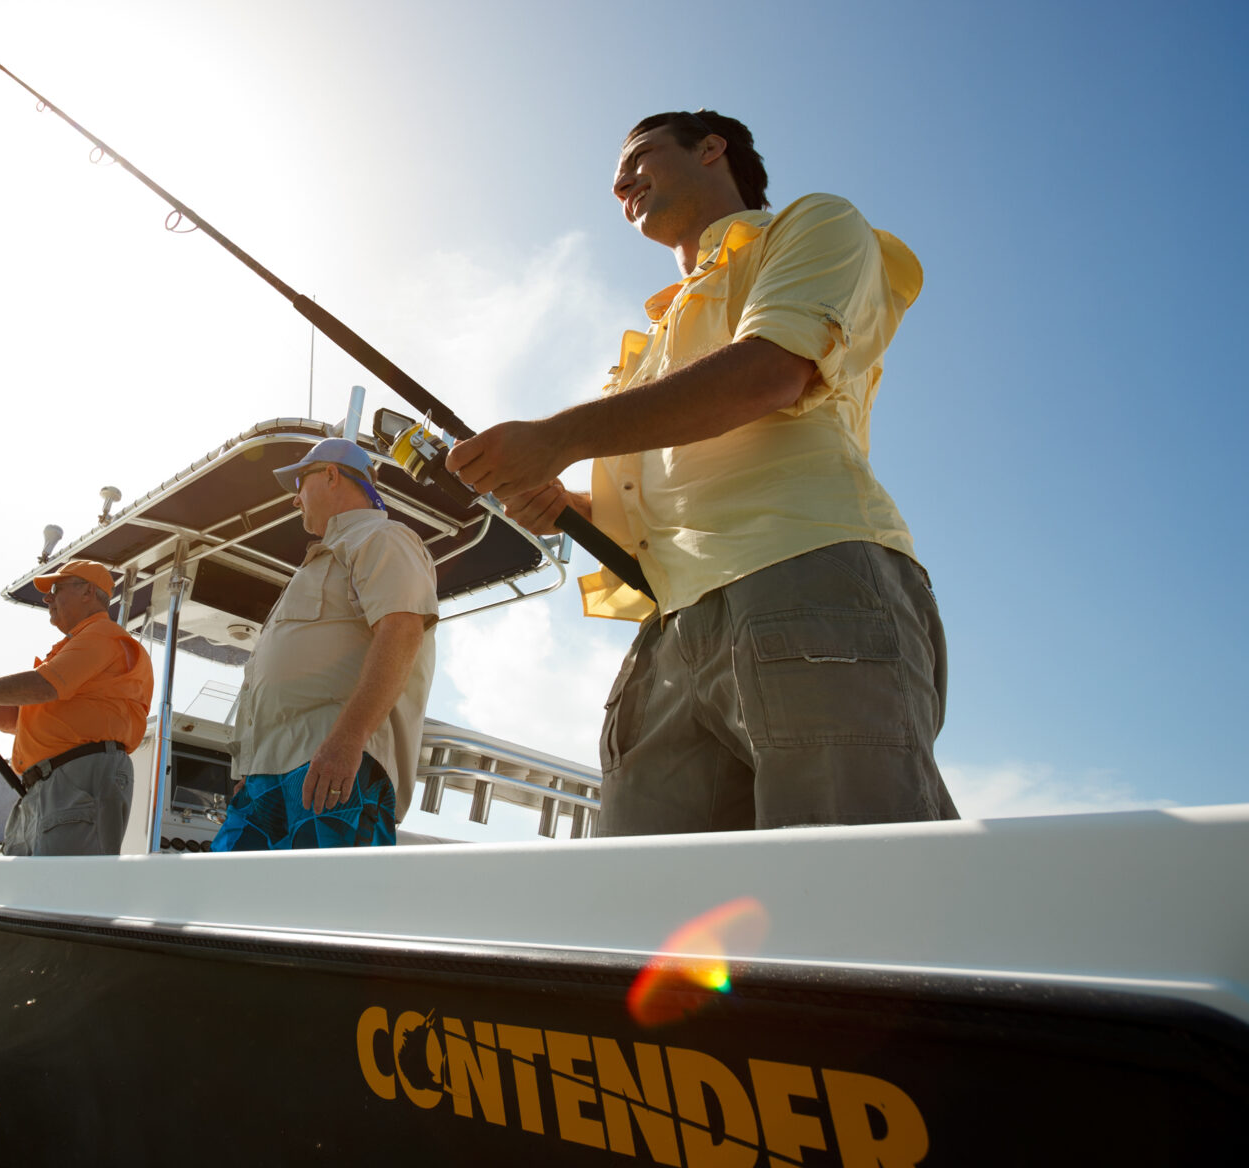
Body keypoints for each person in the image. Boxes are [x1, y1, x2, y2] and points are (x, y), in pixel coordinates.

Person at [446, 109, 957, 835]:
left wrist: (555, 438)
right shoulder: (651, 337)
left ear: (712, 149)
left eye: (641, 156)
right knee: (653, 910)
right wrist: (565, 505)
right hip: (669, 625)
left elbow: (769, 373)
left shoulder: (814, 225)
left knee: (852, 894)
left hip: (804, 575)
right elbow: (656, 490)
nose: (621, 181)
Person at [212, 438, 438, 851]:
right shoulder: (321, 559)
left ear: (331, 474)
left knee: (324, 907)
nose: (296, 500)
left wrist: (347, 740)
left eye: (300, 483)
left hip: (334, 767)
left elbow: (402, 631)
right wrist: (255, 763)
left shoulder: (383, 538)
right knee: (225, 901)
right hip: (268, 776)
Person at [0, 560, 153, 856]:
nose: (47, 597)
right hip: (48, 785)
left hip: (78, 779)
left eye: (56, 589)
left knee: (59, 888)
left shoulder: (103, 636)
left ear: (88, 592)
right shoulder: (75, 649)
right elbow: (12, 719)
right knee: (33, 887)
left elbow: (45, 685)